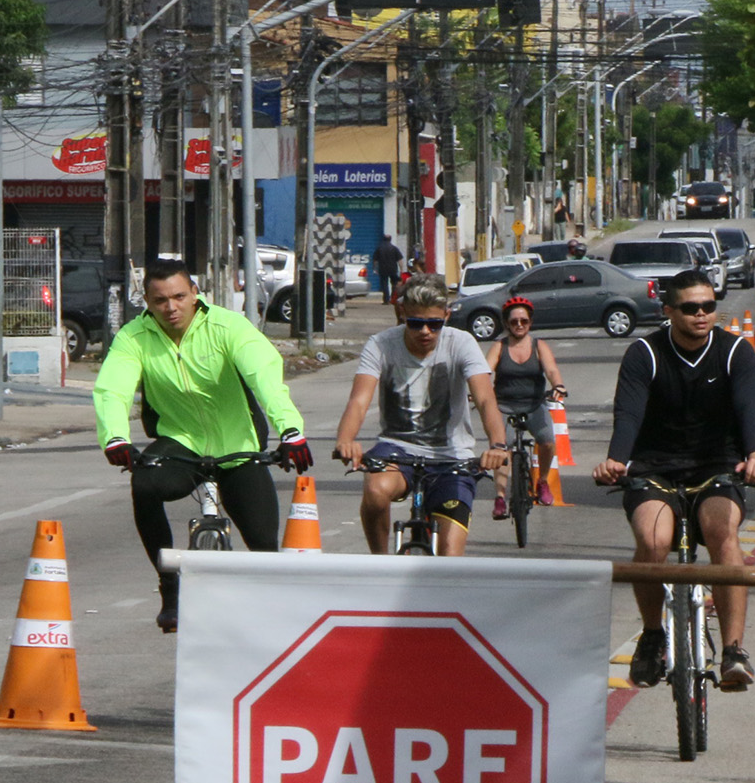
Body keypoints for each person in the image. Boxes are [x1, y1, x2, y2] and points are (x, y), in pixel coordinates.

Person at [92, 257, 315, 632]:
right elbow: (112, 389)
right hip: (181, 443)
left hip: (237, 443)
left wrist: (290, 430)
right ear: (147, 301)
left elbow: (265, 377)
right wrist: (115, 437)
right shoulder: (134, 337)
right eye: (160, 300)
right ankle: (171, 586)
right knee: (144, 485)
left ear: (195, 293)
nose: (171, 307)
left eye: (179, 296)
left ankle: (273, 613)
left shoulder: (228, 326)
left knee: (263, 544)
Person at [594, 269, 755, 691]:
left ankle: (733, 650)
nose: (701, 315)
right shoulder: (644, 354)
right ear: (669, 310)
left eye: (709, 306)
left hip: (717, 467)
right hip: (654, 469)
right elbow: (629, 414)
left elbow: (751, 409)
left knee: (721, 532)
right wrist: (616, 460)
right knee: (653, 541)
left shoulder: (735, 352)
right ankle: (653, 636)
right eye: (690, 308)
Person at [333, 273, 508, 555]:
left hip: (451, 456)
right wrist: (346, 439)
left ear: (447, 316)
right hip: (397, 450)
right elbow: (358, 401)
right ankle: (381, 566)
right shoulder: (380, 344)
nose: (425, 331)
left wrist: (497, 445)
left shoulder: (462, 343)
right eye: (415, 323)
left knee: (449, 555)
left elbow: (486, 399)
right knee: (376, 491)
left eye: (434, 324)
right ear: (402, 313)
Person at [483, 296, 567, 519]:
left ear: (530, 322)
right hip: (504, 407)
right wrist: (478, 391)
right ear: (506, 324)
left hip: (534, 405)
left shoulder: (539, 346)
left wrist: (557, 385)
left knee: (548, 441)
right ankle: (500, 498)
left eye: (524, 321)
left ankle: (542, 483)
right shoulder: (499, 347)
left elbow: (551, 370)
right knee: (501, 451)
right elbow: (486, 372)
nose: (519, 325)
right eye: (514, 322)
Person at [372, 234, 403, 304]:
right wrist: (401, 269)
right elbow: (400, 260)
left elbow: (375, 260)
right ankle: (393, 299)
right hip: (393, 269)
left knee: (384, 284)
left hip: (383, 269)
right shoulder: (394, 248)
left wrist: (375, 268)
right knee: (394, 284)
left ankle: (386, 300)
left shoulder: (379, 248)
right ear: (390, 239)